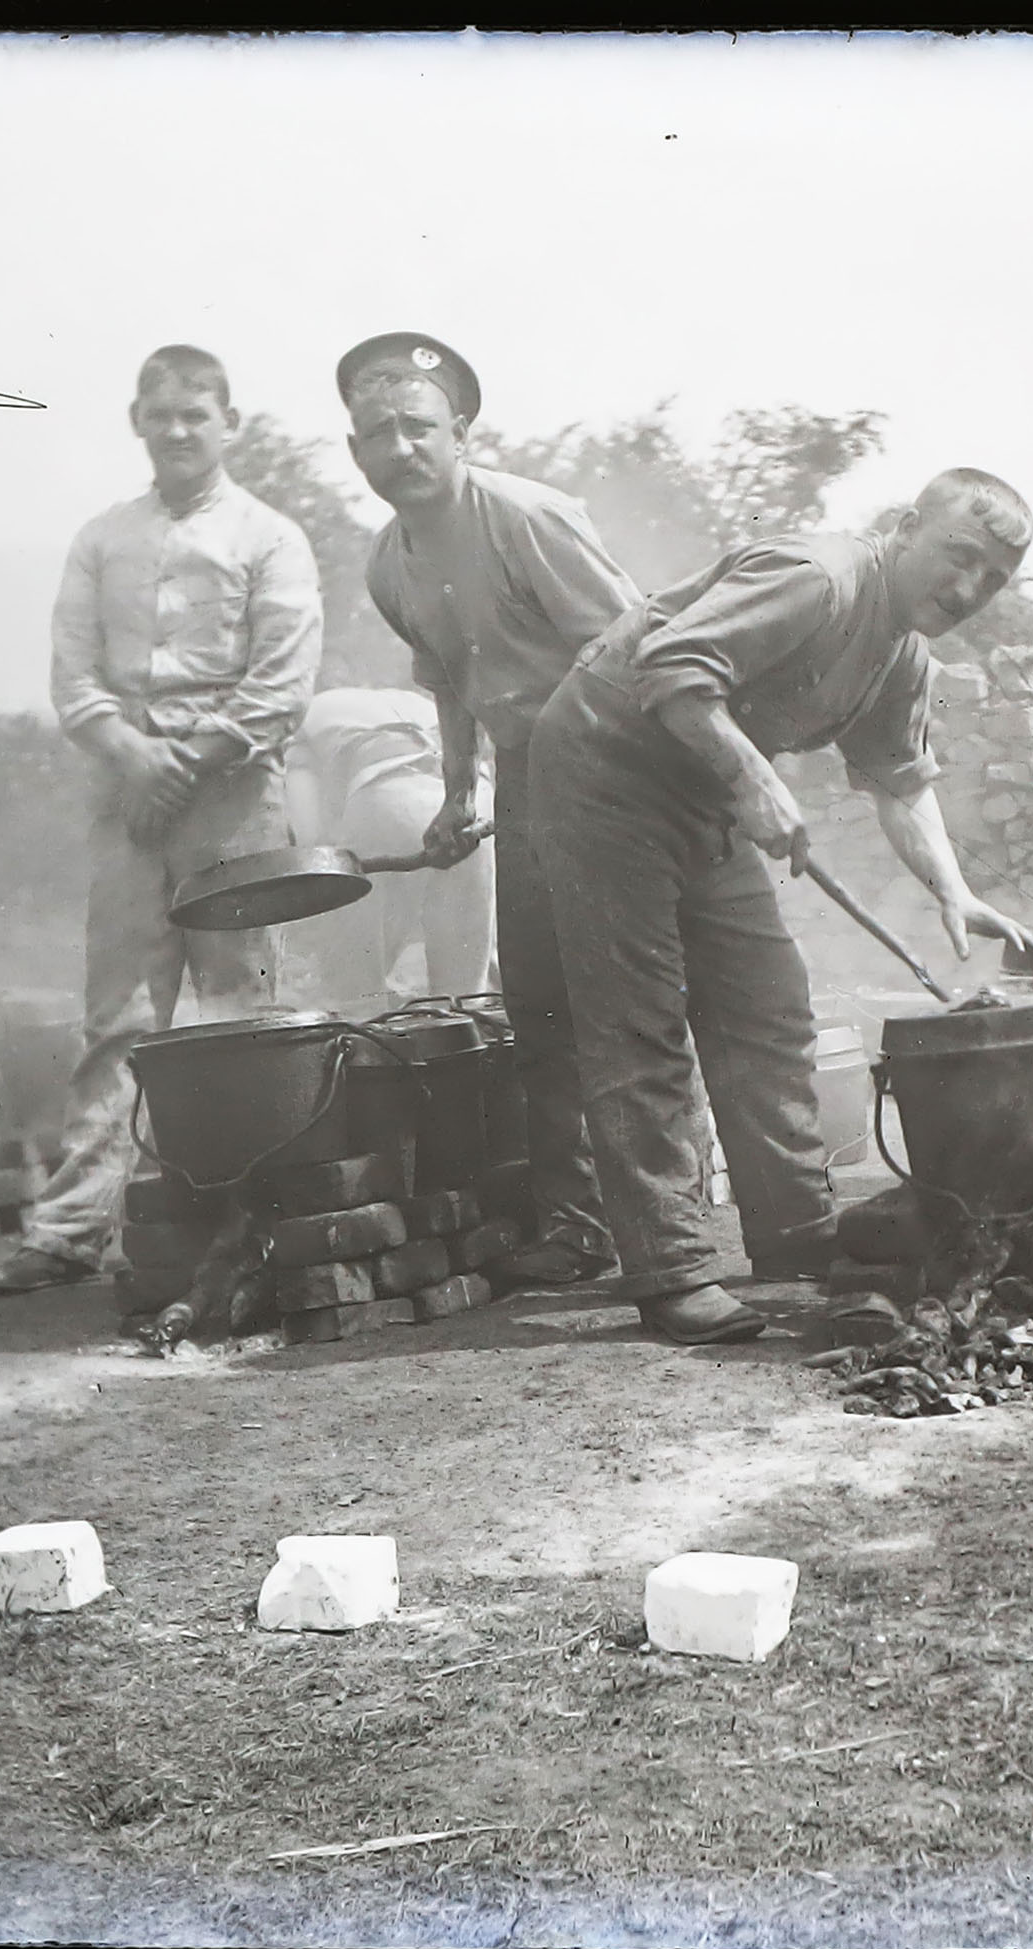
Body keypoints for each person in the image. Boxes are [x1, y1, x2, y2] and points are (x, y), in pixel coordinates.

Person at [532, 469, 1033, 1345]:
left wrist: (955, 891)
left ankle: (794, 1230)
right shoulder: (819, 576)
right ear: (907, 525)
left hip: (702, 784)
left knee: (768, 1003)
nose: (966, 589)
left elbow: (900, 782)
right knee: (641, 1020)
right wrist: (753, 775)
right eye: (958, 556)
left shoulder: (903, 652)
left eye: (991, 580)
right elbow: (672, 664)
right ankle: (673, 1270)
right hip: (602, 767)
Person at [0, 344, 321, 1294]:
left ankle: (254, 1218)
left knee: (242, 1008)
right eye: (160, 414)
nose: (177, 431)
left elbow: (282, 688)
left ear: (230, 425)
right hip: (125, 796)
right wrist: (136, 757)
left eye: (196, 415)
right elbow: (73, 676)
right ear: (137, 420)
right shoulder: (101, 539)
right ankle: (68, 1231)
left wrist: (189, 761)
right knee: (120, 1017)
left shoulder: (271, 538)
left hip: (234, 800)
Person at [339, 330, 642, 1286]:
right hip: (522, 773)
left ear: (460, 430)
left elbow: (637, 650)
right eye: (376, 433)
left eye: (417, 426)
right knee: (541, 1002)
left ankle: (673, 1219)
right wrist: (460, 789)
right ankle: (583, 1228)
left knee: (630, 998)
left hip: (617, 761)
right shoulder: (388, 562)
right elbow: (448, 674)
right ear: (356, 454)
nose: (400, 448)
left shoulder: (528, 517)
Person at [283, 682, 497, 1014]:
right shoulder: (411, 699)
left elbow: (310, 838)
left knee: (356, 994)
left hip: (388, 796)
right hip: (472, 802)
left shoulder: (303, 719)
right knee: (466, 997)